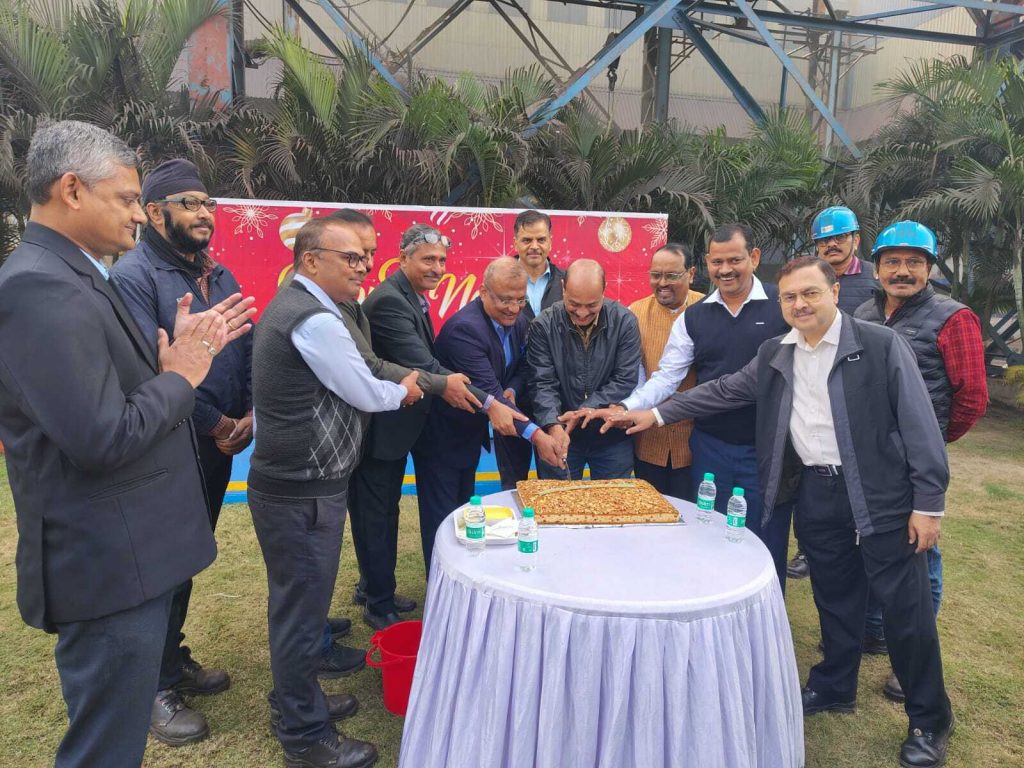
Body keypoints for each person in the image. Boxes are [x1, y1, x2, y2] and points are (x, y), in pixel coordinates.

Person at [605, 256, 955, 768]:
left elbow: (919, 423)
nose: (799, 304)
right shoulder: (777, 352)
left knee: (905, 608)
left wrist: (928, 505)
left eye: (810, 293)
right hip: (816, 492)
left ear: (835, 292)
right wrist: (655, 413)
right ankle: (834, 685)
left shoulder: (881, 345)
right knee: (833, 596)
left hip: (881, 495)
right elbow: (722, 390)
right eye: (790, 296)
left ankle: (929, 718)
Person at [0, 120, 254, 767]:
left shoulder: (77, 275)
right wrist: (180, 377)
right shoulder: (39, 287)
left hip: (130, 556)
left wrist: (170, 363)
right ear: (71, 190)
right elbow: (100, 436)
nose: (140, 215)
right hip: (107, 567)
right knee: (105, 749)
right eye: (127, 198)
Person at [249, 215, 422, 768]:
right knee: (300, 613)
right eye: (350, 257)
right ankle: (304, 735)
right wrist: (406, 390)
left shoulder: (301, 306)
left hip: (297, 486)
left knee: (299, 606)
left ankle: (295, 700)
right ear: (310, 260)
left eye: (365, 257)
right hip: (300, 491)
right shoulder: (315, 319)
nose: (364, 267)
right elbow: (366, 391)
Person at [569, 223, 791, 586]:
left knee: (765, 541)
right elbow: (666, 377)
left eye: (734, 260)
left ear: (754, 257)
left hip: (767, 447)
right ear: (707, 263)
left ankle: (765, 617)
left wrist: (654, 414)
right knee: (708, 538)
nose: (725, 270)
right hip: (711, 445)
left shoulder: (783, 304)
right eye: (717, 262)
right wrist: (625, 408)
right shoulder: (696, 315)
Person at [109, 159, 244, 744]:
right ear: (155, 212)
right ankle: (152, 687)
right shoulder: (133, 277)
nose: (203, 213)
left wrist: (247, 415)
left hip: (220, 443)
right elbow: (149, 367)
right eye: (188, 203)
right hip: (169, 444)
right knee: (160, 567)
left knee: (187, 558)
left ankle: (170, 658)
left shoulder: (218, 272)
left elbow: (244, 346)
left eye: (207, 202)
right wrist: (217, 422)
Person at [358, 224, 525, 627]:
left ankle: (376, 588)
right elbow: (426, 366)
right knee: (376, 515)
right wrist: (486, 401)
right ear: (403, 258)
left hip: (407, 424)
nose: (437, 268)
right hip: (383, 429)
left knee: (385, 513)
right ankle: (377, 602)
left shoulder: (411, 297)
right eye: (428, 259)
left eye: (442, 260)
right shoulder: (390, 301)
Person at [855, 219, 988, 703]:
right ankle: (875, 630)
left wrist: (929, 443)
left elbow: (972, 396)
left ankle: (910, 660)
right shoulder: (866, 311)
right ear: (877, 267)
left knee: (919, 554)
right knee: (873, 543)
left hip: (915, 464)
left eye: (914, 262)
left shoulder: (954, 318)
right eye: (893, 261)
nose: (902, 271)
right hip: (869, 458)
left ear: (930, 268)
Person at [416, 257, 563, 567]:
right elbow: (490, 395)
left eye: (520, 300)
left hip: (471, 434)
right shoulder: (465, 330)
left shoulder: (519, 321)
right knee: (442, 520)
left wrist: (513, 389)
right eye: (505, 300)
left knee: (464, 514)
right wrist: (538, 436)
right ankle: (439, 583)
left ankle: (464, 575)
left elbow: (521, 367)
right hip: (442, 438)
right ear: (483, 292)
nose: (513, 308)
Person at [788, 205, 881, 580]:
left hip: (860, 391)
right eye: (824, 240)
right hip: (813, 387)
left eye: (840, 237)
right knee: (811, 474)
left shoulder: (874, 280)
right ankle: (808, 550)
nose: (832, 245)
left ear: (855, 239)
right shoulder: (805, 279)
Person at [528, 259, 641, 479]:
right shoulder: (543, 325)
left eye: (591, 305)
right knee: (557, 498)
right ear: (563, 288)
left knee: (614, 499)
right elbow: (541, 383)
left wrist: (584, 411)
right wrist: (552, 424)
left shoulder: (624, 322)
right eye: (573, 304)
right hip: (560, 432)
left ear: (604, 290)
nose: (581, 313)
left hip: (610, 434)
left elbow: (625, 379)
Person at [626, 243, 704, 499]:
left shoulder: (706, 310)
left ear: (691, 274)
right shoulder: (634, 313)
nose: (662, 283)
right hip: (648, 440)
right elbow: (631, 374)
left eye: (671, 275)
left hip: (694, 442)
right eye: (655, 275)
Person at [496, 209, 566, 486]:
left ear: (550, 241)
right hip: (511, 398)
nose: (534, 246)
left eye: (540, 239)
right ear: (515, 241)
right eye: (526, 240)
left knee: (555, 481)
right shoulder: (499, 282)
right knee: (513, 483)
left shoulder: (567, 283)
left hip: (555, 399)